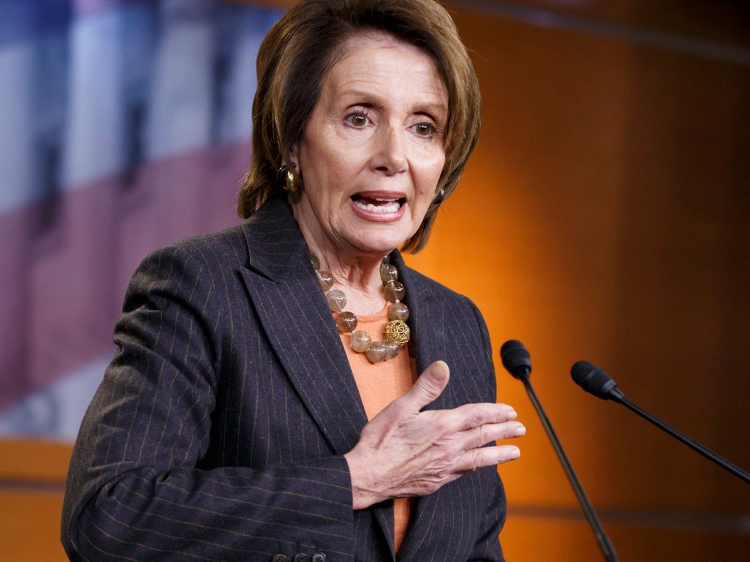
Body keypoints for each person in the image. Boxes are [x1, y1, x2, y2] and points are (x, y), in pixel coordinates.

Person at [61, 0, 525, 560]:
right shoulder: (202, 287)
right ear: (289, 142)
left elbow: (475, 547)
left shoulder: (458, 323)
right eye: (359, 117)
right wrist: (355, 481)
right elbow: (110, 517)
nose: (394, 156)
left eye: (424, 127)